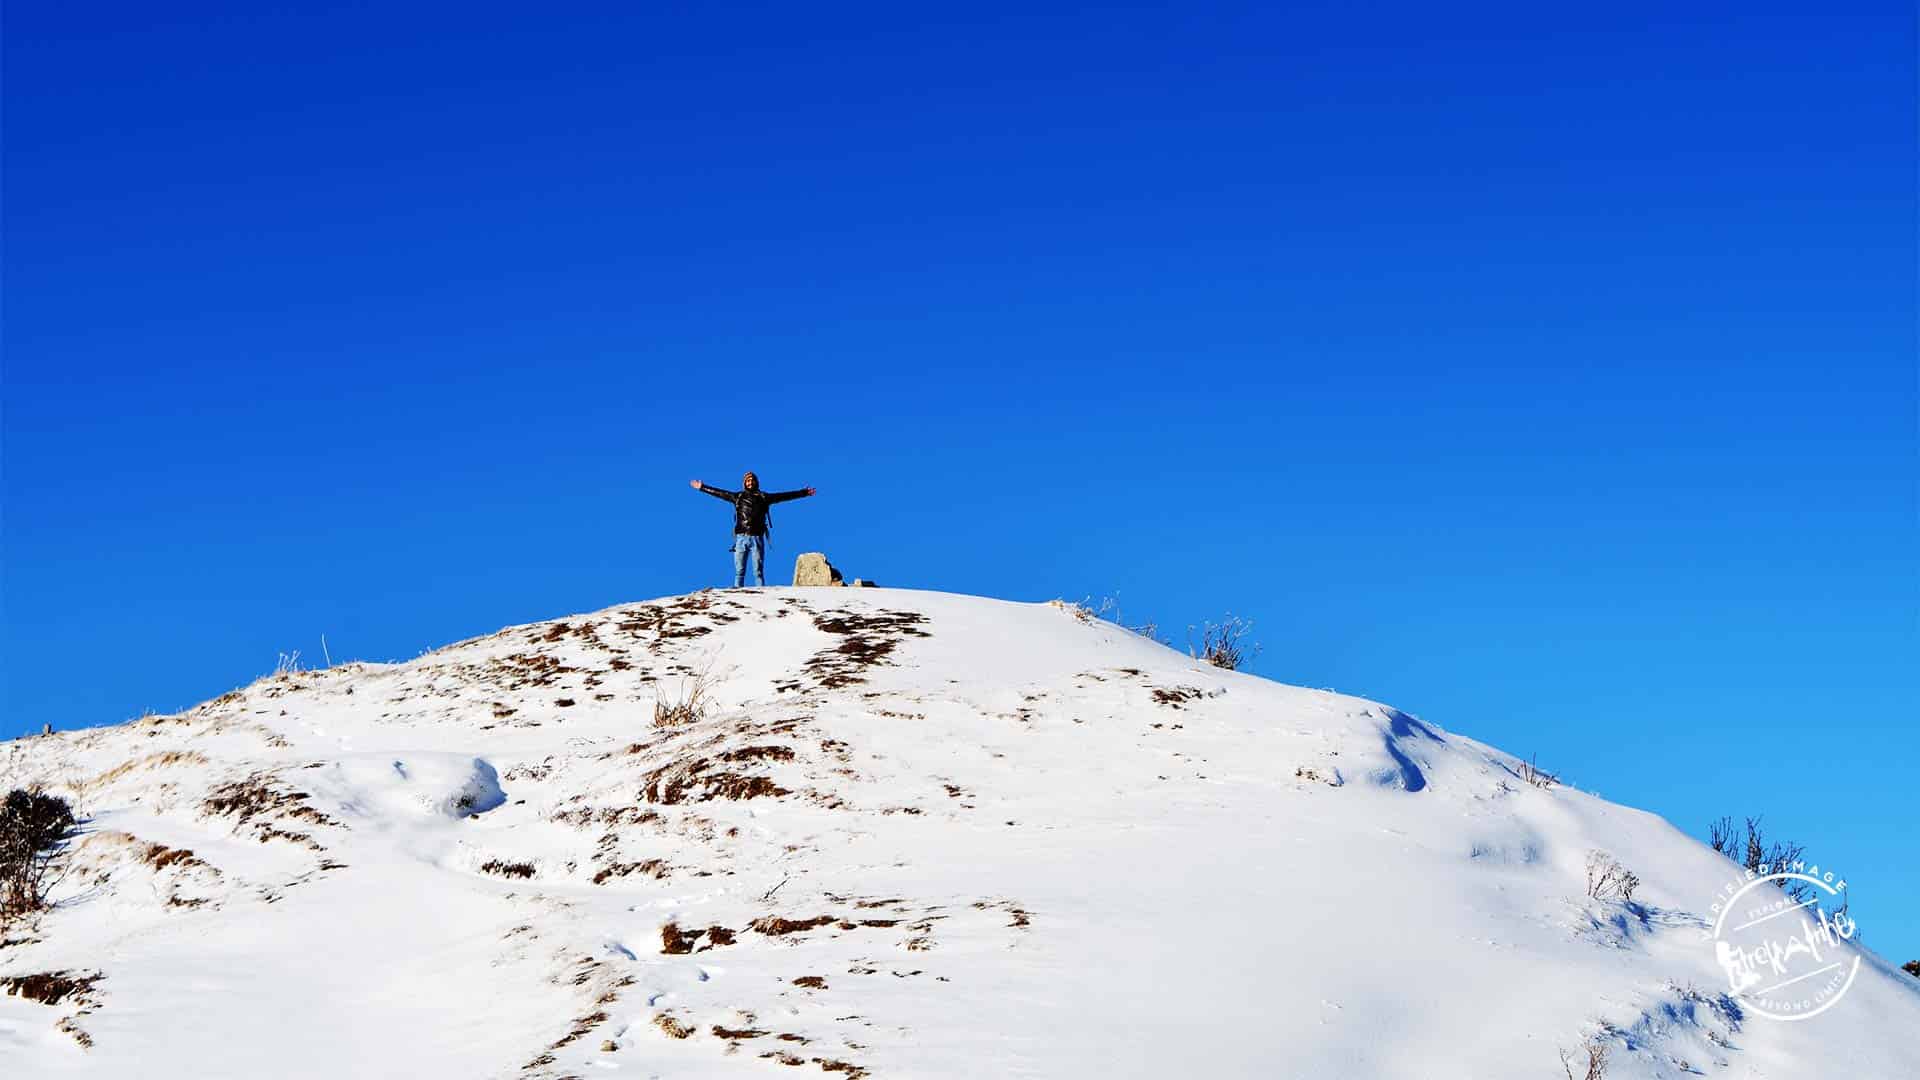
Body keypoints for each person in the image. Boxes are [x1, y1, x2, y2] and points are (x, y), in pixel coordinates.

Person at [689, 472, 817, 587]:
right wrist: (702, 487)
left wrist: (803, 493)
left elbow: (783, 496)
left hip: (757, 538)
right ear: (745, 483)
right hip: (741, 538)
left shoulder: (764, 497)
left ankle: (761, 595)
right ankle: (737, 594)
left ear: (756, 482)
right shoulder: (738, 497)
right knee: (739, 571)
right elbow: (720, 493)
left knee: (758, 571)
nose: (750, 482)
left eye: (752, 480)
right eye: (748, 480)